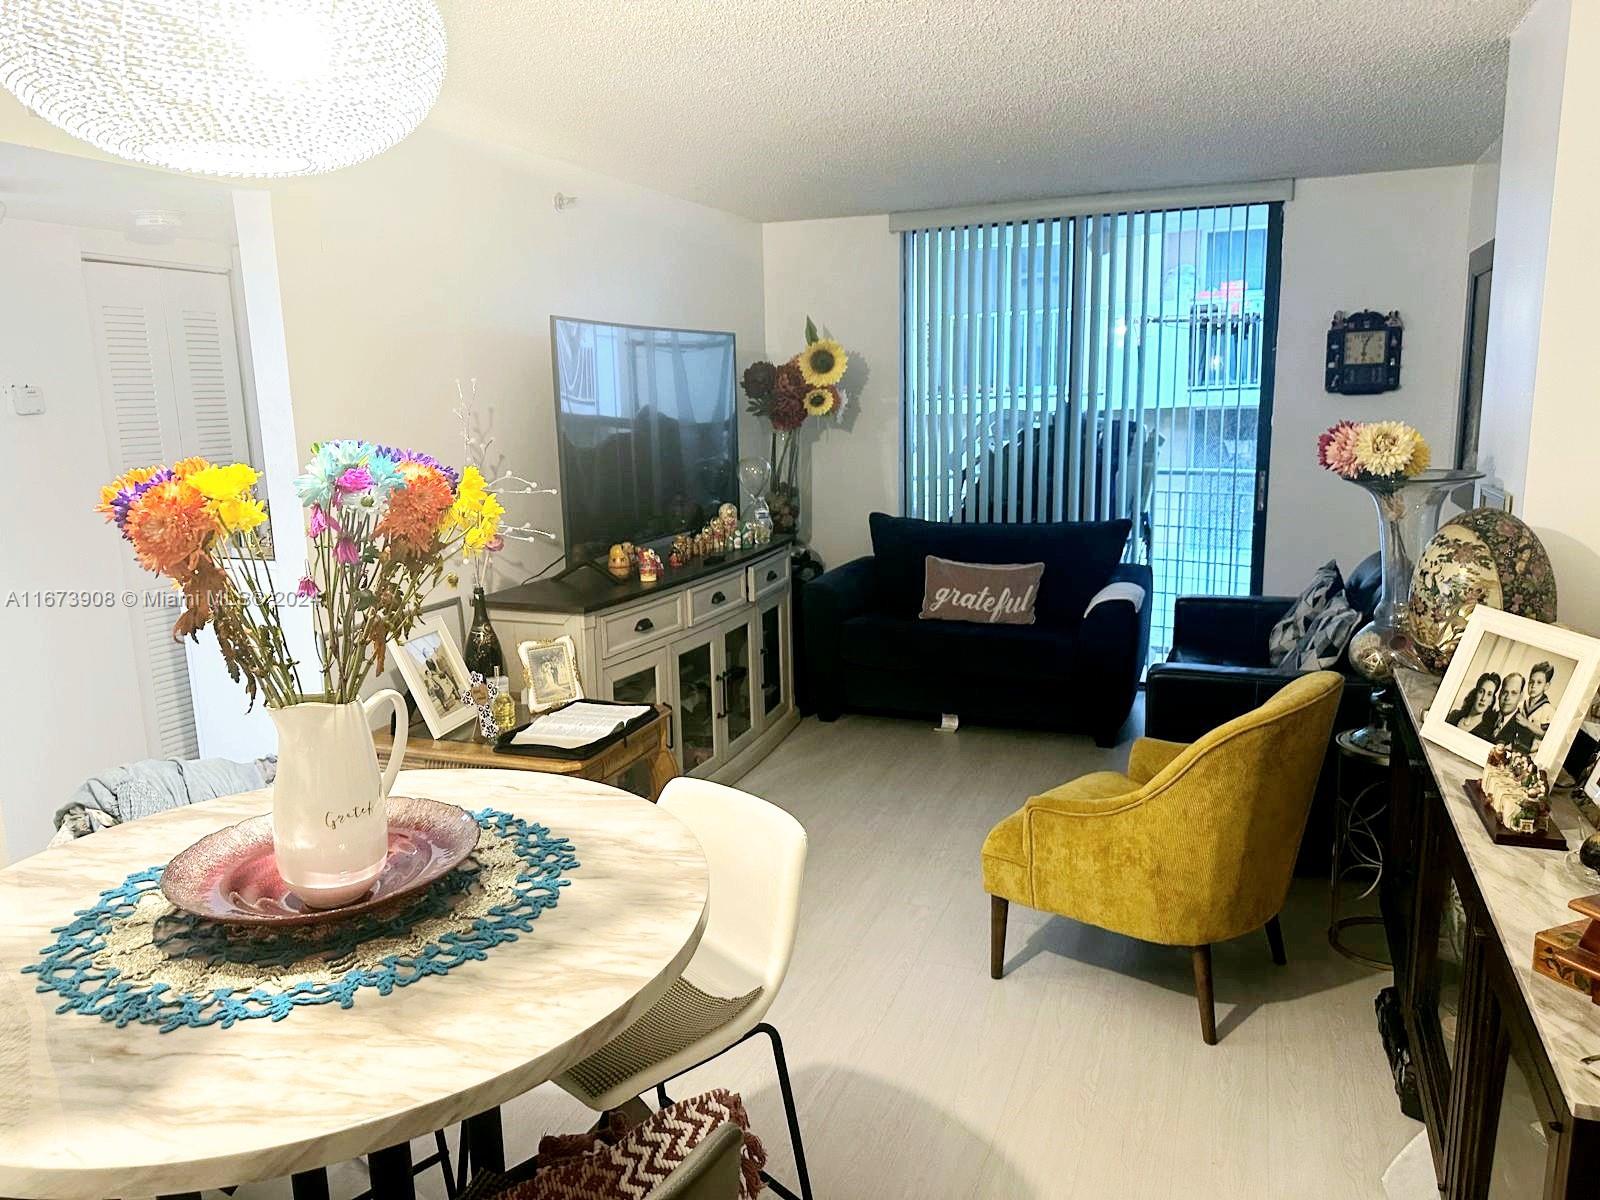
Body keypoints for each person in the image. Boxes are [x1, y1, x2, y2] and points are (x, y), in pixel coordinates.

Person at [1476, 671, 1534, 751]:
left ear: (1521, 697)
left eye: (1513, 693)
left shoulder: (1524, 731)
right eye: (1505, 692)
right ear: (1499, 694)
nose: (1507, 698)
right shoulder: (1485, 717)